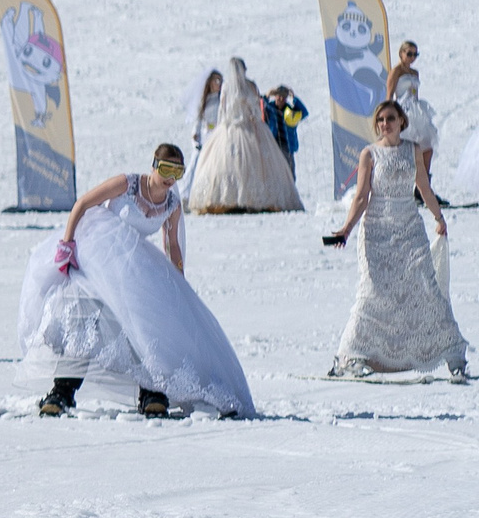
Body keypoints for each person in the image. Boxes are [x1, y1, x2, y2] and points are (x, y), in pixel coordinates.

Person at [19, 144, 253, 418]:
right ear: (154, 165)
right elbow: (83, 204)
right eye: (165, 169)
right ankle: (62, 391)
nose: (169, 178)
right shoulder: (127, 184)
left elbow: (173, 246)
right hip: (98, 257)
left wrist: (178, 280)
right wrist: (67, 242)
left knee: (147, 323)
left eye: (177, 172)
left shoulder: (171, 203)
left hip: (133, 267)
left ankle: (152, 391)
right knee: (86, 319)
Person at [327, 101, 466, 381]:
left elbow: (424, 188)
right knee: (373, 292)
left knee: (426, 287)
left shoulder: (412, 150)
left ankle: (452, 352)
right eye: (380, 120)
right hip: (377, 231)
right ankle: (350, 355)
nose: (384, 124)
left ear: (401, 121)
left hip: (410, 229)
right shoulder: (370, 154)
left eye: (390, 118)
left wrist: (439, 218)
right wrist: (345, 229)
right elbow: (361, 197)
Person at [186, 58, 303, 212]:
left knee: (226, 163)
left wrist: (225, 125)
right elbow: (256, 108)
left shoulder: (227, 87)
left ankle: (226, 198)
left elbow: (223, 111)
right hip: (250, 127)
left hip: (230, 128)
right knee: (257, 162)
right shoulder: (251, 85)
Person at [385, 41, 440, 195]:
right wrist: (389, 116)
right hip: (403, 112)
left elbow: (415, 93)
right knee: (406, 151)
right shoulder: (396, 71)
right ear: (401, 53)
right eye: (409, 54)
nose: (412, 57)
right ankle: (401, 188)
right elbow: (389, 95)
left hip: (416, 111)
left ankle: (422, 189)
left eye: (415, 54)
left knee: (426, 149)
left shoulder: (415, 73)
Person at [265, 85, 308, 176]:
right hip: (272, 146)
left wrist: (294, 98)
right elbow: (257, 107)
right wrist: (267, 96)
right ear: (275, 96)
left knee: (290, 175)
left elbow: (304, 113)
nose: (281, 99)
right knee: (273, 174)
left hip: (287, 147)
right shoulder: (268, 109)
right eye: (279, 96)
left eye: (284, 97)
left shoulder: (291, 111)